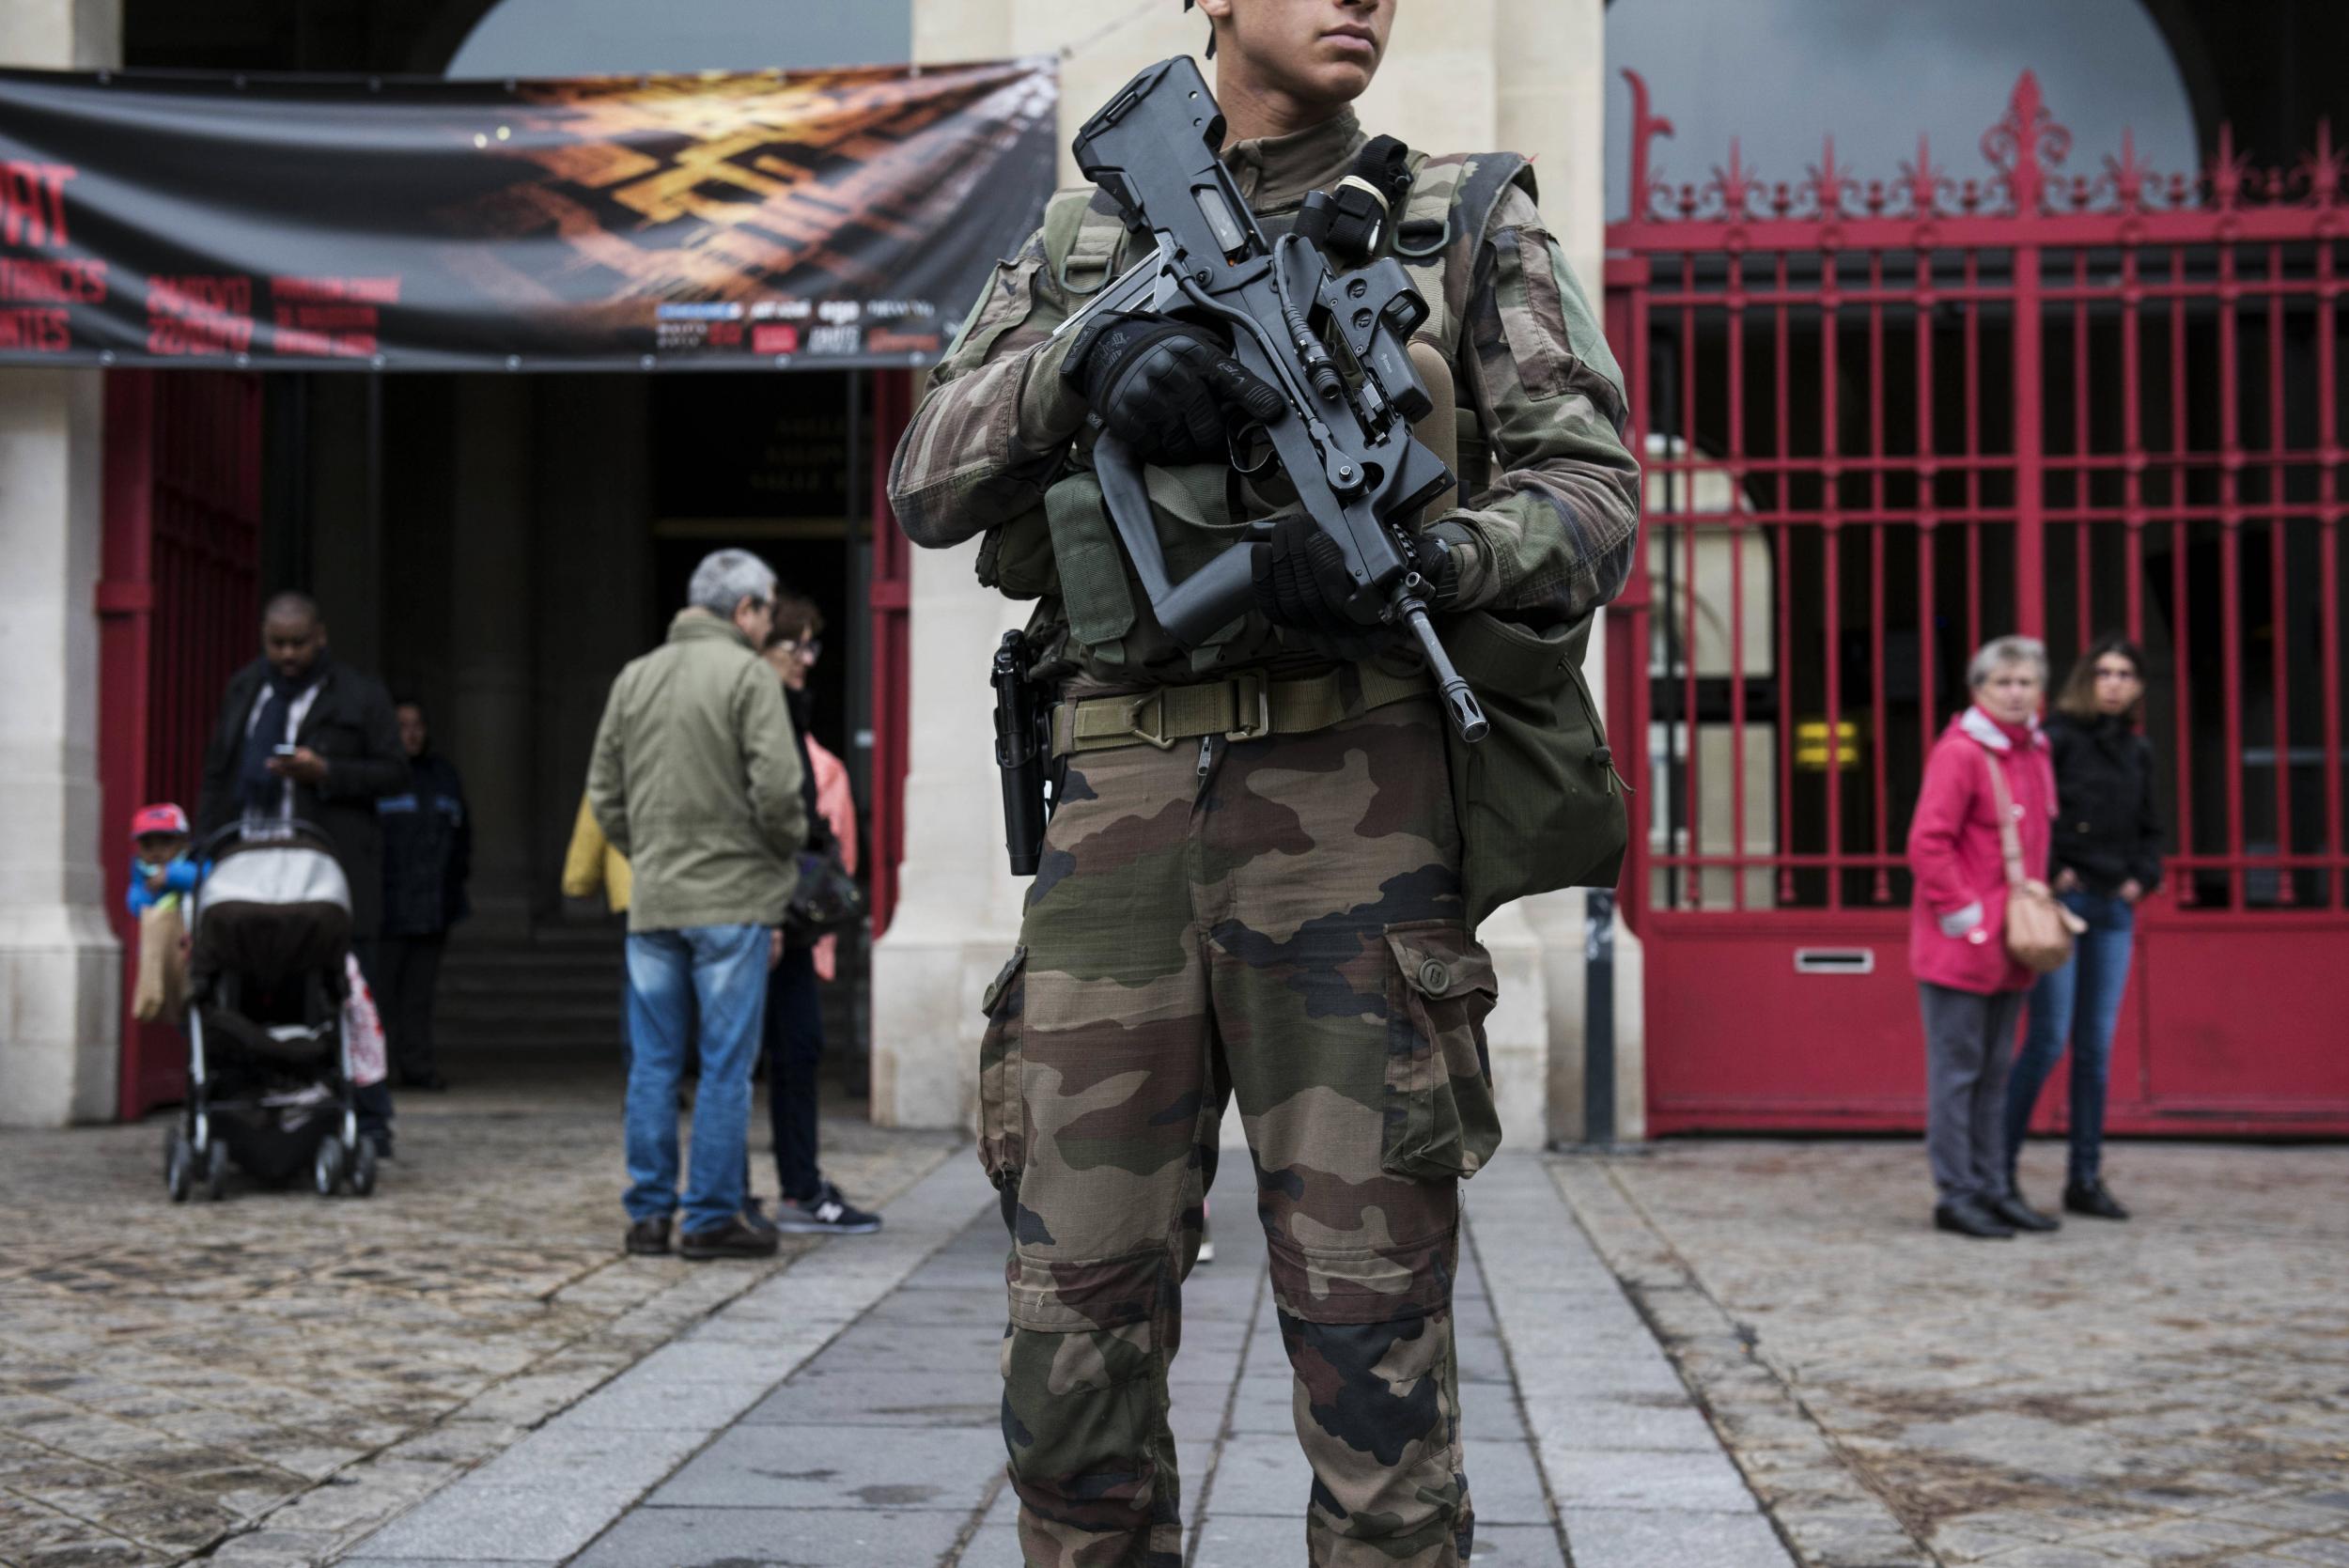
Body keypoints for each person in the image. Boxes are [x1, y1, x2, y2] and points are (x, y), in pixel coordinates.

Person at [887, 0, 1641, 1559]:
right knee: (1071, 1342)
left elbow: (1595, 496)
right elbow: (925, 479)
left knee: (1377, 1373)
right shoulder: (1085, 234)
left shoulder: (1462, 216)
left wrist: (1434, 549)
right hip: (1119, 830)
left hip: (1357, 819)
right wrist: (1088, 365)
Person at [586, 550, 806, 1263]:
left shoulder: (634, 676)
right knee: (724, 1065)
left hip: (655, 901)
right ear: (743, 610)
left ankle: (649, 1214)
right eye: (768, 609)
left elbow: (605, 794)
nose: (770, 621)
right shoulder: (746, 675)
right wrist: (783, 852)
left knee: (652, 1064)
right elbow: (778, 792)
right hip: (732, 899)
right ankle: (709, 1215)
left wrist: (645, 850)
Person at [195, 591, 406, 1154]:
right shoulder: (247, 689)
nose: (287, 655)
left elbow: (395, 772)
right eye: (276, 643)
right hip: (249, 866)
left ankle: (368, 1118)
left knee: (350, 996)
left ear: (321, 637)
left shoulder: (360, 695)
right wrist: (203, 853)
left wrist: (326, 771)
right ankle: (244, 1105)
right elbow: (218, 772)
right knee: (242, 986)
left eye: (298, 643)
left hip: (331, 872)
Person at [1906, 635, 2063, 1241]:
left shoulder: (2033, 750)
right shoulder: (1963, 753)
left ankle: (1995, 1186)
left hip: (2010, 942)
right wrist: (1966, 918)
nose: (2017, 692)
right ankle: (1959, 1193)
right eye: (2005, 682)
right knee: (1958, 1074)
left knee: (1995, 1073)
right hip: (1963, 944)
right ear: (1979, 690)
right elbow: (1928, 843)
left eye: (2026, 682)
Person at [2002, 635, 2162, 1222]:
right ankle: (1998, 1170)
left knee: (2095, 1049)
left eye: (2125, 674)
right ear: (2086, 681)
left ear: (2138, 685)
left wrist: (2141, 877)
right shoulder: (2056, 742)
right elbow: (2033, 816)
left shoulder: (2138, 750)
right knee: (2046, 1041)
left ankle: (2085, 1178)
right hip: (2061, 908)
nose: (2115, 683)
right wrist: (2053, 873)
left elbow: (2152, 826)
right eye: (2105, 673)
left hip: (2113, 908)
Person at [757, 595, 880, 1235]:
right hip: (766, 911)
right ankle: (781, 1191)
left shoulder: (788, 715)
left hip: (788, 915)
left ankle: (797, 1185)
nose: (807, 659)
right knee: (753, 1054)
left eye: (812, 646)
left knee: (795, 1049)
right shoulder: (761, 718)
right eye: (795, 646)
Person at [375, 697, 472, 1092]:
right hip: (386, 906)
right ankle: (376, 1071)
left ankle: (417, 1067)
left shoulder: (443, 776)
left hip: (434, 906)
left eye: (417, 725)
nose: (411, 734)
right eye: (402, 725)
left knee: (419, 996)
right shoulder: (377, 778)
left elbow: (463, 838)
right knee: (380, 994)